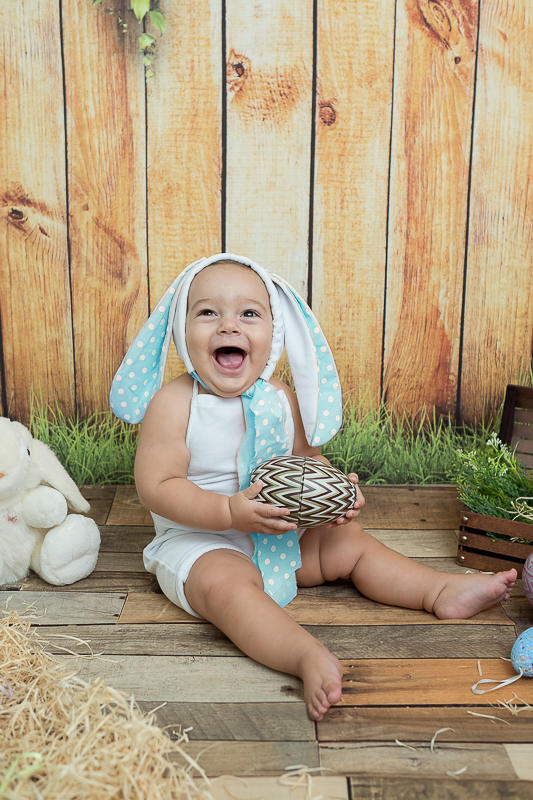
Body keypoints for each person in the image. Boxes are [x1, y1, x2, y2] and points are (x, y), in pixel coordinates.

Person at [110, 254, 517, 722]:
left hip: (279, 532)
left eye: (248, 313)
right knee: (226, 586)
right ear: (182, 333)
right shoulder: (176, 403)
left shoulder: (280, 399)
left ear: (274, 333)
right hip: (201, 538)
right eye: (207, 313)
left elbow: (306, 460)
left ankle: (437, 590)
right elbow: (157, 487)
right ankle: (303, 655)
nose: (228, 327)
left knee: (350, 543)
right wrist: (227, 513)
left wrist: (335, 492)